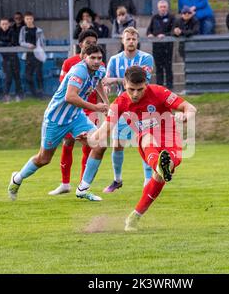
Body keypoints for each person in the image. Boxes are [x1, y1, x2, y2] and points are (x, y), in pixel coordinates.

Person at [90, 66, 197, 231]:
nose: (135, 94)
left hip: (170, 136)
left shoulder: (159, 92)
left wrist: (185, 117)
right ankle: (160, 165)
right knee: (148, 140)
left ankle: (135, 216)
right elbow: (105, 130)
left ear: (146, 84)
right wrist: (90, 137)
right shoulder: (119, 103)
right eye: (131, 89)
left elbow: (191, 108)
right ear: (124, 84)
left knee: (161, 175)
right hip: (146, 138)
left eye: (140, 90)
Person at [7, 44, 108, 202]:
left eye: (99, 58)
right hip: (56, 119)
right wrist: (95, 107)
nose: (96, 61)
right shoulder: (78, 70)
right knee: (44, 159)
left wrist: (106, 105)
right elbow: (70, 97)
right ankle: (17, 179)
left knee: (100, 143)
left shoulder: (100, 69)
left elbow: (99, 82)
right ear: (85, 57)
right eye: (92, 58)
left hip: (76, 117)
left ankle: (83, 189)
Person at [75, 27, 154, 197]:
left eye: (133, 39)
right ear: (122, 41)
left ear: (137, 40)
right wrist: (107, 87)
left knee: (145, 142)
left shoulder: (146, 58)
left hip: (143, 107)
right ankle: (117, 180)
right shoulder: (114, 60)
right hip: (122, 107)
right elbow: (105, 81)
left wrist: (117, 80)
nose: (131, 41)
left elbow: (142, 81)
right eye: (128, 39)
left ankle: (148, 180)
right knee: (117, 145)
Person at [48, 30, 109, 196]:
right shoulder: (70, 63)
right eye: (88, 42)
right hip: (72, 110)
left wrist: (104, 99)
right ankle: (64, 183)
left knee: (89, 145)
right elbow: (64, 87)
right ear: (81, 44)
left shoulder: (99, 63)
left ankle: (83, 184)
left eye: (94, 42)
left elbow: (100, 83)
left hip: (91, 109)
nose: (91, 45)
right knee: (67, 144)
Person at [147, 0, 175, 90]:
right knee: (158, 67)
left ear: (167, 8)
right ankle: (160, 88)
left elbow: (173, 31)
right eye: (161, 7)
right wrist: (150, 34)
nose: (163, 9)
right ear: (158, 8)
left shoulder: (171, 17)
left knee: (168, 67)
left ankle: (170, 88)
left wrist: (165, 35)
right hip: (157, 47)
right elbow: (149, 30)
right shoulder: (154, 18)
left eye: (164, 7)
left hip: (167, 46)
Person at [0, 18, 23, 102]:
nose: (4, 26)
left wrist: (3, 44)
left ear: (9, 24)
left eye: (6, 24)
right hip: (5, 59)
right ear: (0, 25)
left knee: (17, 77)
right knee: (8, 78)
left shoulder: (12, 32)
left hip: (14, 58)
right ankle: (6, 96)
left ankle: (19, 95)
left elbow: (13, 43)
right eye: (2, 24)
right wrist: (5, 44)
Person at [19, 12, 46, 99]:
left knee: (39, 75)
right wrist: (28, 45)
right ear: (24, 20)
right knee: (28, 76)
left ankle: (41, 94)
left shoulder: (39, 30)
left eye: (30, 18)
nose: (29, 20)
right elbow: (21, 42)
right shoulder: (23, 29)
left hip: (38, 55)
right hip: (28, 55)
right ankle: (34, 94)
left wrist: (39, 47)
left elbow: (43, 42)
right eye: (27, 19)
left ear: (33, 19)